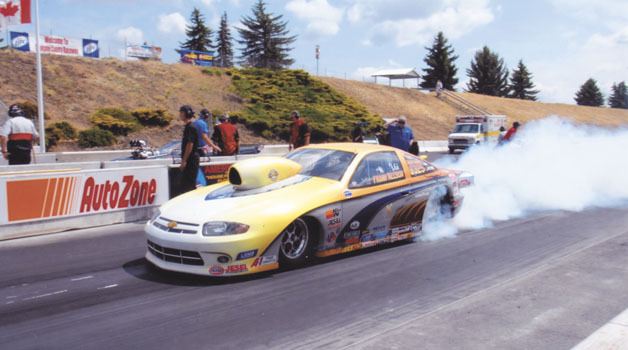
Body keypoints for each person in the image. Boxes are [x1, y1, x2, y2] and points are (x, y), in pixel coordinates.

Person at [178, 105, 200, 194]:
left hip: (191, 160)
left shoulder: (190, 127)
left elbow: (189, 145)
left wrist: (184, 161)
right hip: (190, 159)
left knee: (189, 185)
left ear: (187, 114)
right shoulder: (188, 127)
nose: (180, 115)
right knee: (187, 184)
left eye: (181, 113)